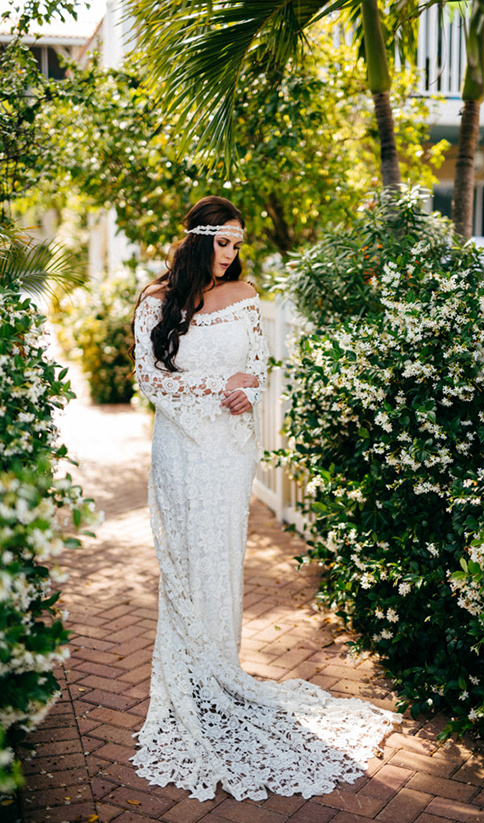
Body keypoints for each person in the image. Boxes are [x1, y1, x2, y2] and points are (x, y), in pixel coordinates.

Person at [131, 195, 400, 802]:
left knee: (221, 557)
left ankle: (220, 669)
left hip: (227, 450)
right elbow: (150, 377)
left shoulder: (248, 295)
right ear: (199, 241)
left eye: (237, 243)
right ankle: (191, 682)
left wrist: (245, 390)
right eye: (223, 242)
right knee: (183, 558)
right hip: (178, 447)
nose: (232, 253)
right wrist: (213, 386)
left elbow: (258, 363)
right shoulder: (155, 299)